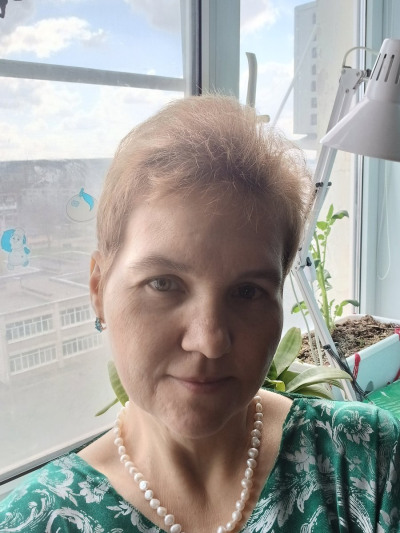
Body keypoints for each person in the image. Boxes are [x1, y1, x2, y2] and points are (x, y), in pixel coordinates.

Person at [0, 95, 399, 533]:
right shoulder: (34, 519)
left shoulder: (365, 460)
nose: (209, 340)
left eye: (247, 291)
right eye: (163, 283)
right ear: (98, 289)